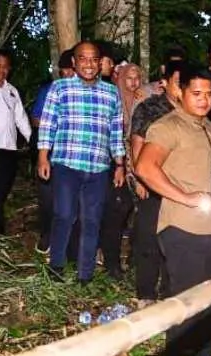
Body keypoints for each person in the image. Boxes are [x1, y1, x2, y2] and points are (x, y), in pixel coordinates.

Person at [135, 67, 211, 356]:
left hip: (210, 227)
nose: (204, 100)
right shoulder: (167, 126)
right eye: (196, 93)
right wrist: (184, 197)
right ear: (181, 92)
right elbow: (144, 166)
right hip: (180, 227)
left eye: (209, 94)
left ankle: (203, 354)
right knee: (186, 298)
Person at [37, 41, 126, 283]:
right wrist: (43, 156)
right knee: (64, 215)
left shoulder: (111, 92)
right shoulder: (60, 88)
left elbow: (116, 130)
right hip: (66, 163)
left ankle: (84, 275)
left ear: (100, 63)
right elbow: (47, 124)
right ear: (74, 63)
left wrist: (120, 164)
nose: (89, 64)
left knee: (92, 220)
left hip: (98, 168)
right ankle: (56, 265)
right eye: (83, 59)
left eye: (93, 59)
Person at [128, 60, 187, 302]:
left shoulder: (192, 112)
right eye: (177, 82)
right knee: (148, 239)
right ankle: (146, 293)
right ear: (164, 83)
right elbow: (137, 144)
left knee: (175, 240)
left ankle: (169, 292)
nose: (181, 88)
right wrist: (140, 179)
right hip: (152, 183)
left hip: (182, 188)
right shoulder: (149, 108)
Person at [95, 61, 150, 280]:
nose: (134, 82)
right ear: (120, 78)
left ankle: (134, 259)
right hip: (112, 165)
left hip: (136, 167)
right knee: (116, 212)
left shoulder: (143, 103)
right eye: (129, 77)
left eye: (137, 77)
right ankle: (111, 263)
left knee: (137, 213)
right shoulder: (111, 100)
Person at [30, 50, 76, 255]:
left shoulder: (87, 92)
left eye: (72, 70)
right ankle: (47, 235)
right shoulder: (49, 90)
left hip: (75, 158)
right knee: (48, 199)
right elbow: (36, 119)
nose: (69, 75)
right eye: (66, 71)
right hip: (51, 154)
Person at [0, 50, 32, 234]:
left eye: (5, 67)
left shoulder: (12, 91)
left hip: (9, 148)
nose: (1, 70)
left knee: (4, 186)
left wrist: (33, 141)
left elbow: (20, 118)